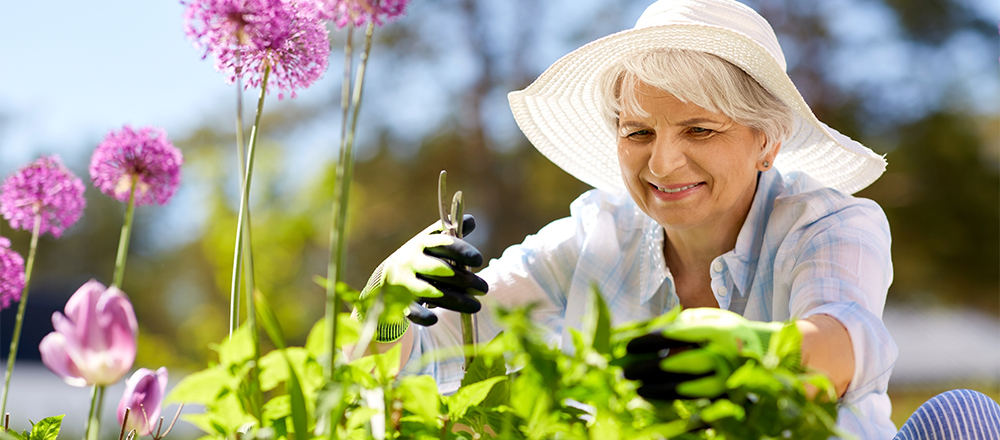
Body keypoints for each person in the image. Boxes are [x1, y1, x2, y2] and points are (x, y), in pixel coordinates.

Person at [358, 0, 1000, 438]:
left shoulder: (827, 225)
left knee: (965, 415)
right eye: (638, 131)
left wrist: (757, 352)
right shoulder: (593, 235)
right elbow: (427, 354)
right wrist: (388, 303)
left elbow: (848, 342)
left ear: (767, 140)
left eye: (700, 127)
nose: (663, 162)